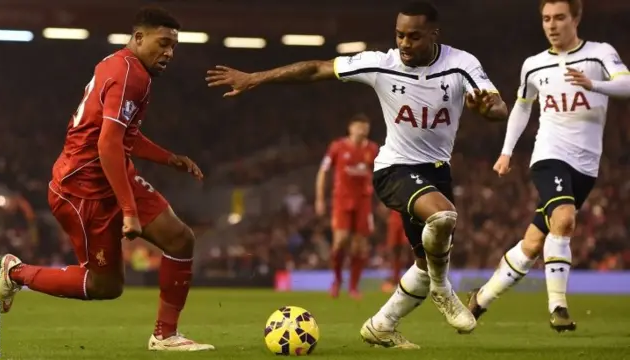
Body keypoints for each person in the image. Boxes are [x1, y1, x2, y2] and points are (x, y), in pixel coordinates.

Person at [206, 1, 508, 347]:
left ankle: (381, 325)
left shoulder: (461, 64)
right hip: (394, 169)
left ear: (433, 35)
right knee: (442, 217)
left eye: (414, 36)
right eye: (399, 35)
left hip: (436, 172)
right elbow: (316, 69)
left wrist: (488, 109)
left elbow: (498, 106)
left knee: (423, 268)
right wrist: (256, 77)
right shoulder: (383, 63)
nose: (404, 43)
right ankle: (444, 290)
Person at [0, 7, 215, 351]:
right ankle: (15, 273)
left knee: (180, 239)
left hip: (111, 176)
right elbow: (107, 143)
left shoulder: (127, 68)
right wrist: (129, 210)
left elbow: (124, 136)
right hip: (83, 191)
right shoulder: (130, 75)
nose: (169, 52)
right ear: (139, 38)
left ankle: (165, 335)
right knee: (105, 286)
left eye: (174, 46)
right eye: (163, 43)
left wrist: (169, 158)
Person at [468, 0, 630, 332]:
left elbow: (626, 84)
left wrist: (594, 85)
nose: (552, 25)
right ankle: (558, 306)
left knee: (532, 245)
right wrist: (506, 152)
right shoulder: (534, 65)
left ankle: (480, 299)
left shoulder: (599, 53)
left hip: (586, 166)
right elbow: (523, 107)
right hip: (549, 154)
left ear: (576, 18)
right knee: (565, 219)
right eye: (546, 19)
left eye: (559, 18)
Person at [315, 114, 379, 300]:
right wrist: (320, 198)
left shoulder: (373, 150)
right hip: (342, 200)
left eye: (365, 127)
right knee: (340, 240)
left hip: (363, 201)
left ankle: (353, 287)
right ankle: (336, 280)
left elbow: (381, 174)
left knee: (360, 245)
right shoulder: (337, 147)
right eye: (358, 126)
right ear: (350, 128)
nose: (361, 130)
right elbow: (323, 171)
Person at [382, 209, 409, 292]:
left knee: (409, 247)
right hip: (395, 215)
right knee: (394, 249)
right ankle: (395, 279)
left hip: (409, 215)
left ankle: (420, 279)